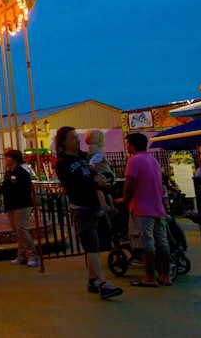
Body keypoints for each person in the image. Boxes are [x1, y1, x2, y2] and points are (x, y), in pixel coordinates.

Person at [54, 126, 123, 300]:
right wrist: (95, 183)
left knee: (97, 243)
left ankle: (92, 280)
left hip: (93, 205)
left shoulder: (83, 157)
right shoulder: (63, 163)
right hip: (82, 207)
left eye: (77, 137)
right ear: (63, 142)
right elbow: (75, 184)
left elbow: (95, 172)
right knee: (91, 244)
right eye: (73, 138)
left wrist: (103, 179)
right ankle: (101, 283)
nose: (77, 140)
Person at [123, 132, 171, 287]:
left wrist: (124, 200)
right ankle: (165, 275)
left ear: (133, 145)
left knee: (146, 244)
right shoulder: (153, 161)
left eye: (128, 143)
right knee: (162, 243)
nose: (127, 146)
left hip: (141, 208)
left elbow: (129, 185)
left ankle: (149, 277)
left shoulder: (134, 161)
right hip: (158, 208)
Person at [1, 149, 39, 267]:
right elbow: (5, 187)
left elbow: (23, 189)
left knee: (22, 230)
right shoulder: (8, 172)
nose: (6, 160)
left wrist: (8, 188)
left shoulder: (22, 173)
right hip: (11, 204)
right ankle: (21, 255)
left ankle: (33, 255)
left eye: (7, 157)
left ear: (13, 159)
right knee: (17, 232)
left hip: (21, 204)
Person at [85, 130, 116, 216]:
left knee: (98, 189)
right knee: (105, 192)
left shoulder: (94, 147)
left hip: (103, 173)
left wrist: (91, 162)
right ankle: (112, 207)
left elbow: (98, 155)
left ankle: (104, 206)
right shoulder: (98, 147)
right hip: (107, 172)